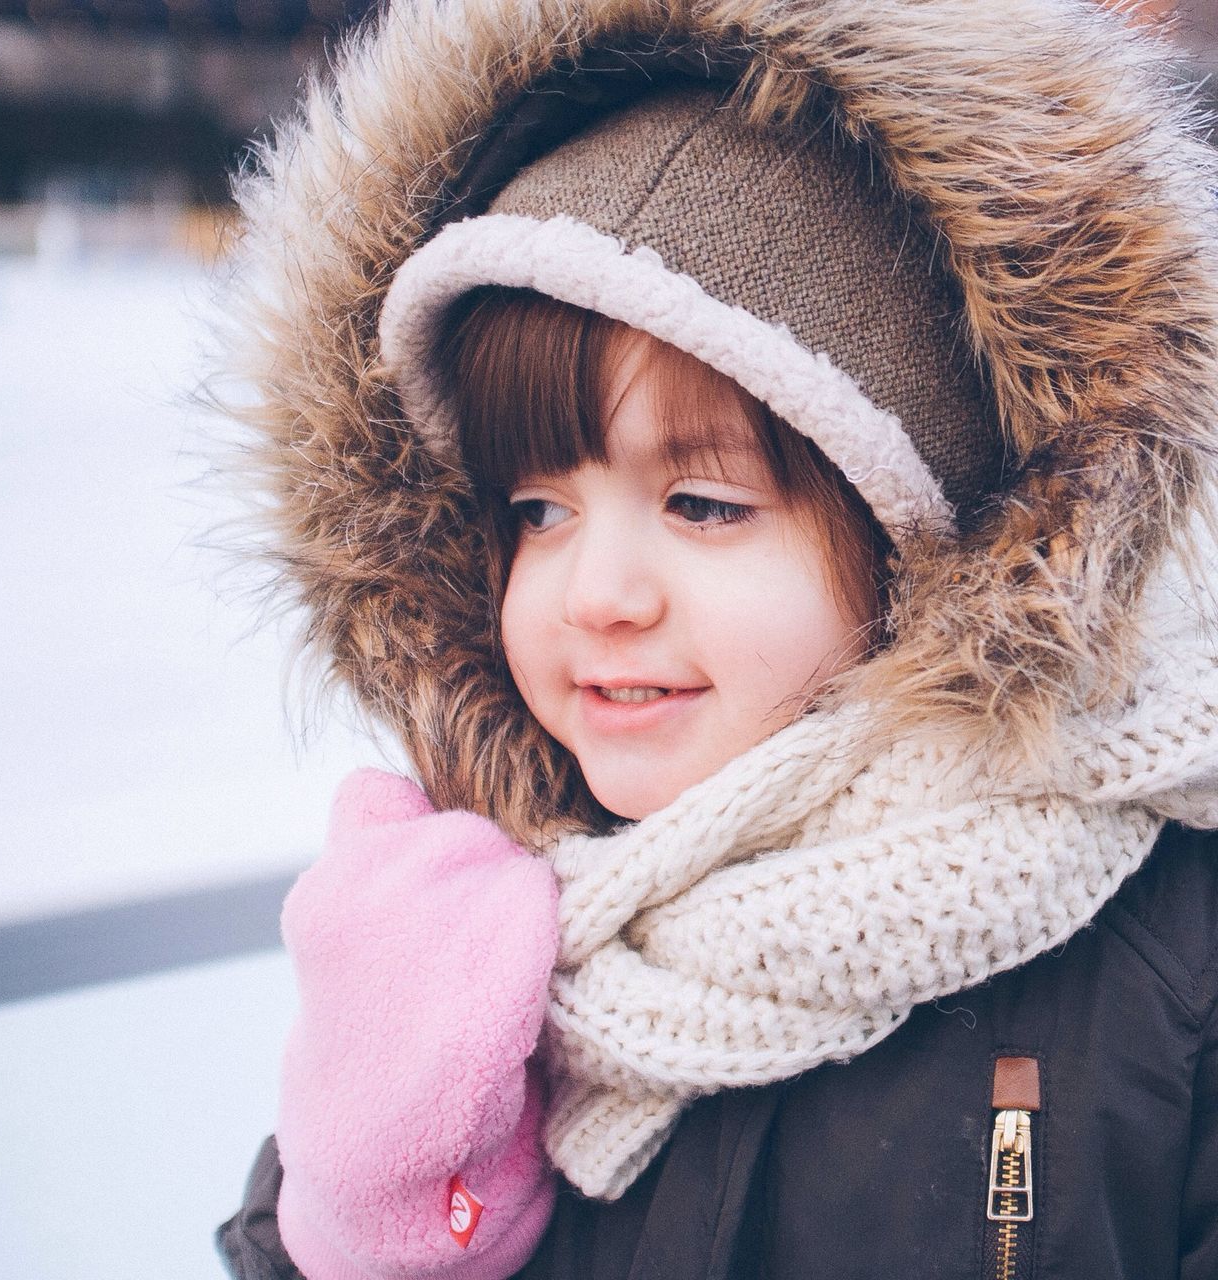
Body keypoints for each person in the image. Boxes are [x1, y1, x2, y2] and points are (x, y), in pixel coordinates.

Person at [214, 0, 1218, 1277]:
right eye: (537, 509)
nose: (597, 593)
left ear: (918, 552)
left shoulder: (1149, 953)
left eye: (702, 504)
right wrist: (369, 1204)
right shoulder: (476, 935)